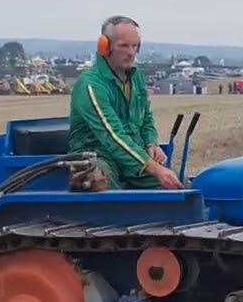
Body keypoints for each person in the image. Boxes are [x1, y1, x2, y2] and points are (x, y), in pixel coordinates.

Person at [67, 15, 183, 191]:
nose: (131, 52)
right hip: (99, 154)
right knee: (101, 181)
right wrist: (153, 168)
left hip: (131, 155)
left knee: (177, 185)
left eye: (135, 46)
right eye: (124, 46)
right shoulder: (90, 84)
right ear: (105, 47)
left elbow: (145, 116)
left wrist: (151, 142)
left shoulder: (136, 76)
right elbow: (113, 137)